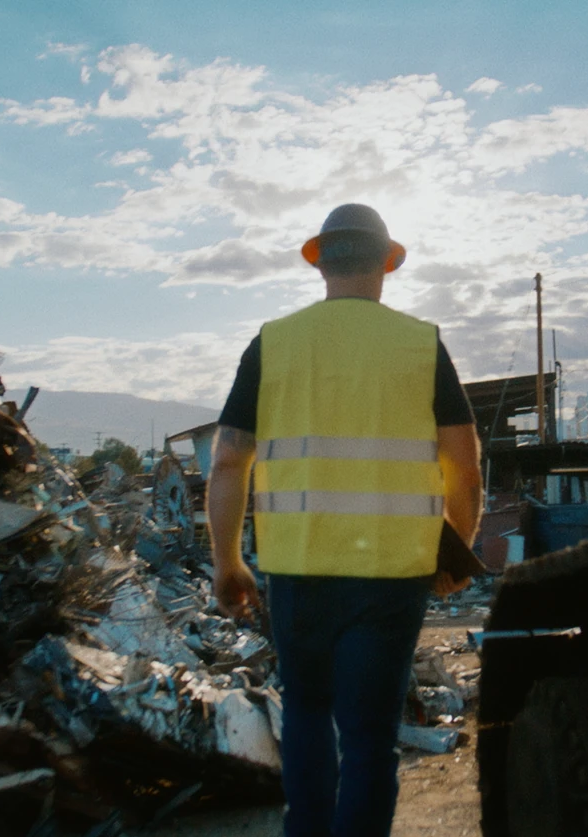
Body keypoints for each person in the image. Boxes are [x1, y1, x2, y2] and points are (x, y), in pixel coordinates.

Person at [206, 204, 483, 837]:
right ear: (386, 264)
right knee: (368, 738)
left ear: (321, 263)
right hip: (393, 575)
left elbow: (227, 464)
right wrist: (457, 552)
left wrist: (228, 562)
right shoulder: (420, 344)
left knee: (305, 716)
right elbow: (464, 469)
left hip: (297, 570)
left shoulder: (273, 342)